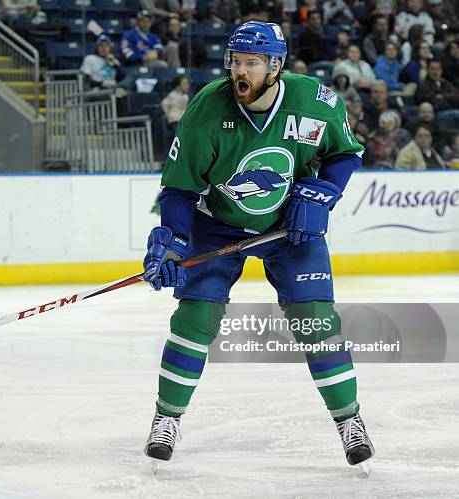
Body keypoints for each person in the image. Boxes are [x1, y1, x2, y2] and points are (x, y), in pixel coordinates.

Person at [142, 21, 375, 473]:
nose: (240, 72)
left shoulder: (315, 101)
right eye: (235, 62)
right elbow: (178, 189)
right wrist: (170, 238)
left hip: (290, 228)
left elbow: (346, 153)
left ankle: (350, 421)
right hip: (218, 225)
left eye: (251, 62)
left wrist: (324, 192)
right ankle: (166, 419)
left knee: (317, 323)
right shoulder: (207, 108)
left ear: (276, 66)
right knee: (193, 319)